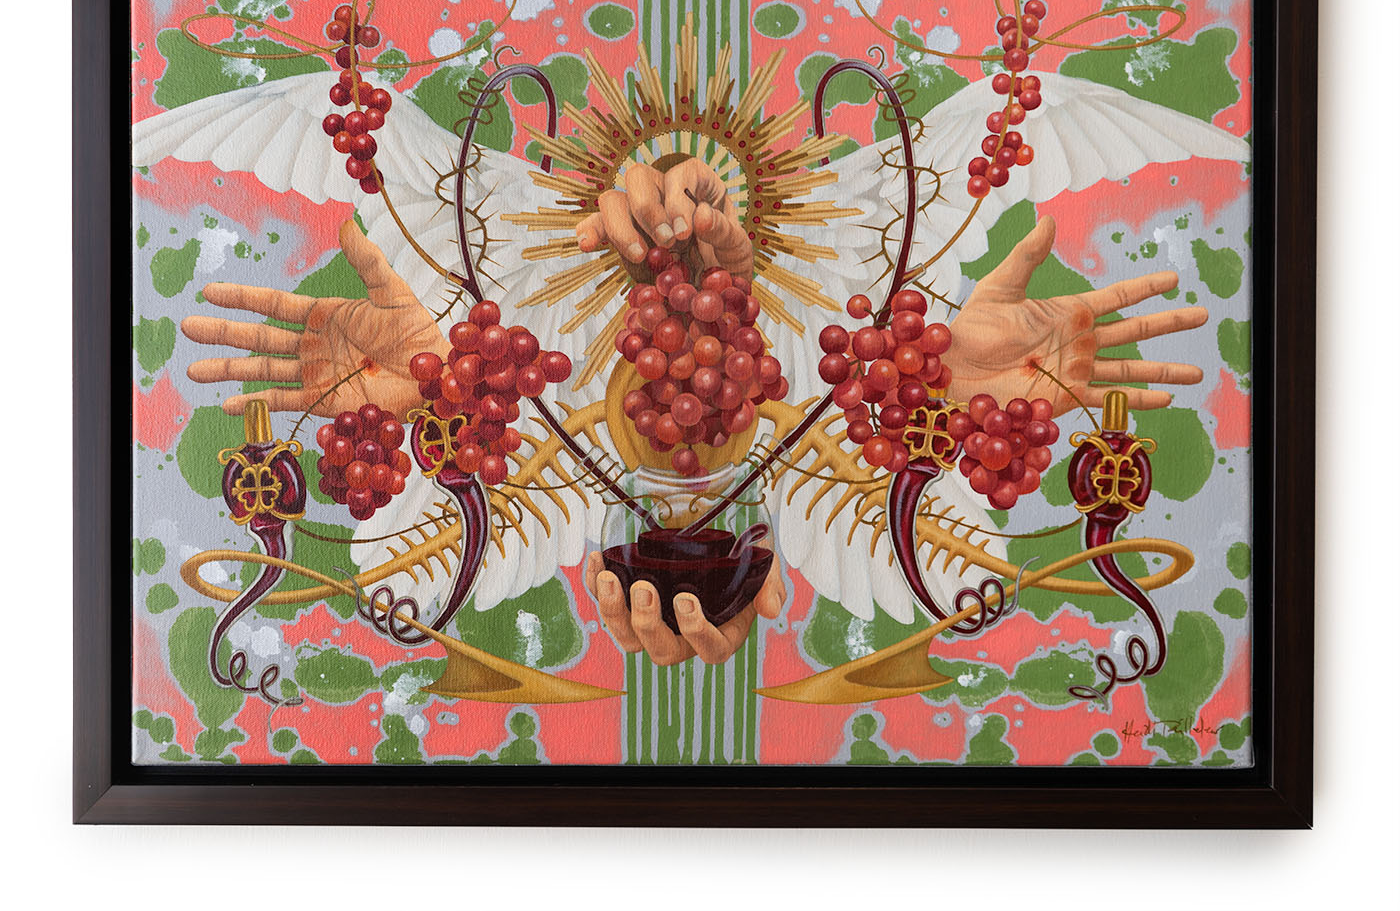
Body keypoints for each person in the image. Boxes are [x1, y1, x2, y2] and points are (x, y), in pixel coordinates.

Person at [183, 156, 1205, 669]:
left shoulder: (809, 362)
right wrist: (438, 380)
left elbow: (951, 574)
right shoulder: (557, 380)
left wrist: (932, 385)